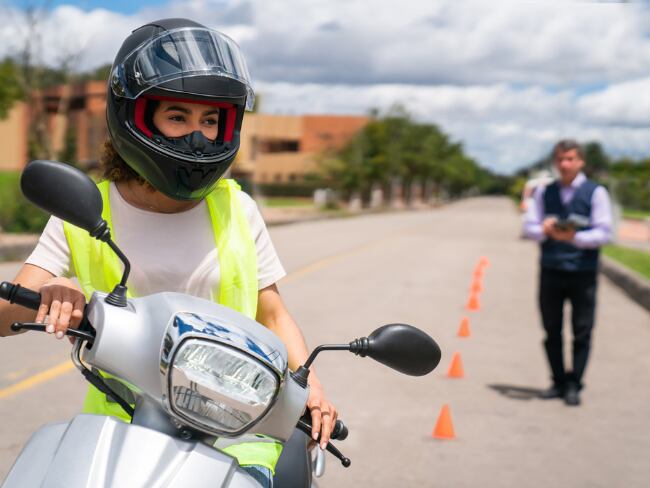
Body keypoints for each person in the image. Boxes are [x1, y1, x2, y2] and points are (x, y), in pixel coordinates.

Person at [0, 18, 336, 487]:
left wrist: (311, 386)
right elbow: (4, 314)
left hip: (238, 428)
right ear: (136, 115)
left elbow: (274, 314)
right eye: (177, 117)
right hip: (119, 425)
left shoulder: (237, 209)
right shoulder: (86, 210)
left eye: (210, 120)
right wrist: (58, 289)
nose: (197, 136)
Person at [523, 139, 612, 406]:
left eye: (570, 159)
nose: (565, 164)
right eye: (561, 159)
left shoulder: (596, 192)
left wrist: (574, 237)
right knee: (551, 329)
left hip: (582, 271)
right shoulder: (543, 192)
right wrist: (546, 229)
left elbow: (604, 232)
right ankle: (557, 380)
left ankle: (575, 383)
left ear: (580, 161)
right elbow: (529, 227)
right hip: (551, 269)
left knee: (582, 330)